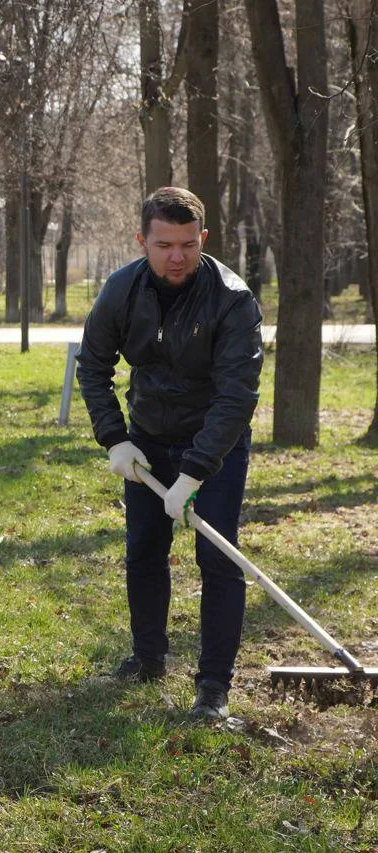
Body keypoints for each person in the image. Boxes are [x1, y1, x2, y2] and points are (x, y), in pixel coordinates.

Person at [76, 186, 263, 720]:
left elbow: (237, 396)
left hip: (215, 445)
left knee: (219, 559)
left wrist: (197, 472)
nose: (176, 256)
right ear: (142, 242)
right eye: (163, 245)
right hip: (148, 440)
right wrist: (115, 437)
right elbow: (93, 367)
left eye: (187, 244)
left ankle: (212, 686)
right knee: (144, 551)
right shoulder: (121, 290)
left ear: (202, 238)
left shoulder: (232, 299)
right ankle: (148, 656)